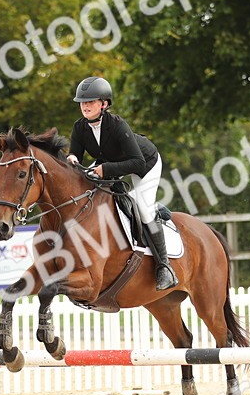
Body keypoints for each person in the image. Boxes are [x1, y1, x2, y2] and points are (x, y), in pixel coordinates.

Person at [67, 76, 177, 291]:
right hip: (111, 162)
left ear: (104, 104)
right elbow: (76, 154)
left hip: (146, 164)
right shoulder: (79, 127)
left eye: (90, 101)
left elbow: (137, 162)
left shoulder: (117, 125)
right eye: (82, 102)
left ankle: (164, 267)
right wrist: (71, 158)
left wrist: (104, 170)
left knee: (143, 209)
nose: (85, 106)